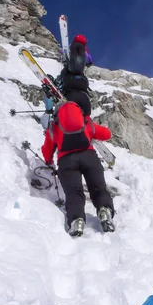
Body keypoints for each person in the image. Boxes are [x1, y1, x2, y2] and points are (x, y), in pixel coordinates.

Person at [41, 101, 115, 237]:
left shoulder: (53, 127)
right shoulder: (85, 122)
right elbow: (107, 134)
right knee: (98, 188)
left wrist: (49, 161)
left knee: (74, 192)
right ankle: (104, 211)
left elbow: (47, 149)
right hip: (89, 157)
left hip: (66, 161)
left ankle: (77, 221)